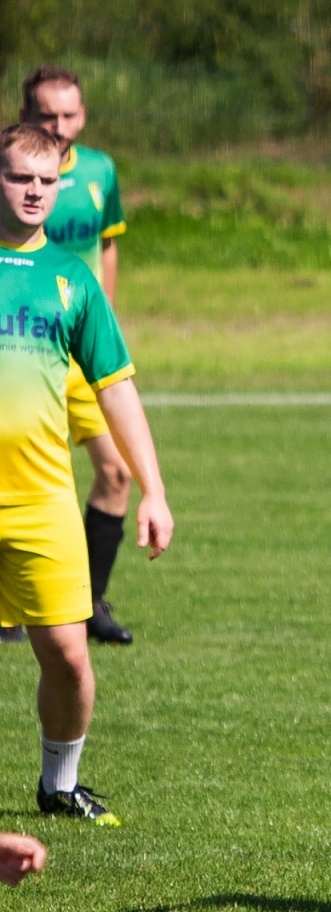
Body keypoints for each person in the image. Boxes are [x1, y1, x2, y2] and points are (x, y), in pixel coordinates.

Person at [0, 122, 174, 824]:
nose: (35, 191)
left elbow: (116, 388)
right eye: (20, 177)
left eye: (46, 180)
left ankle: (59, 784)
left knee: (70, 658)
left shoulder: (72, 280)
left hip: (42, 501)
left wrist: (153, 489)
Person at [0, 66, 136, 646]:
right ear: (25, 117)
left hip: (77, 345)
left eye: (69, 115)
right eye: (47, 115)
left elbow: (108, 247)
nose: (59, 126)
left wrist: (104, 319)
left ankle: (89, 603)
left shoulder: (100, 172)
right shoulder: (16, 175)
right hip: (26, 342)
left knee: (117, 471)